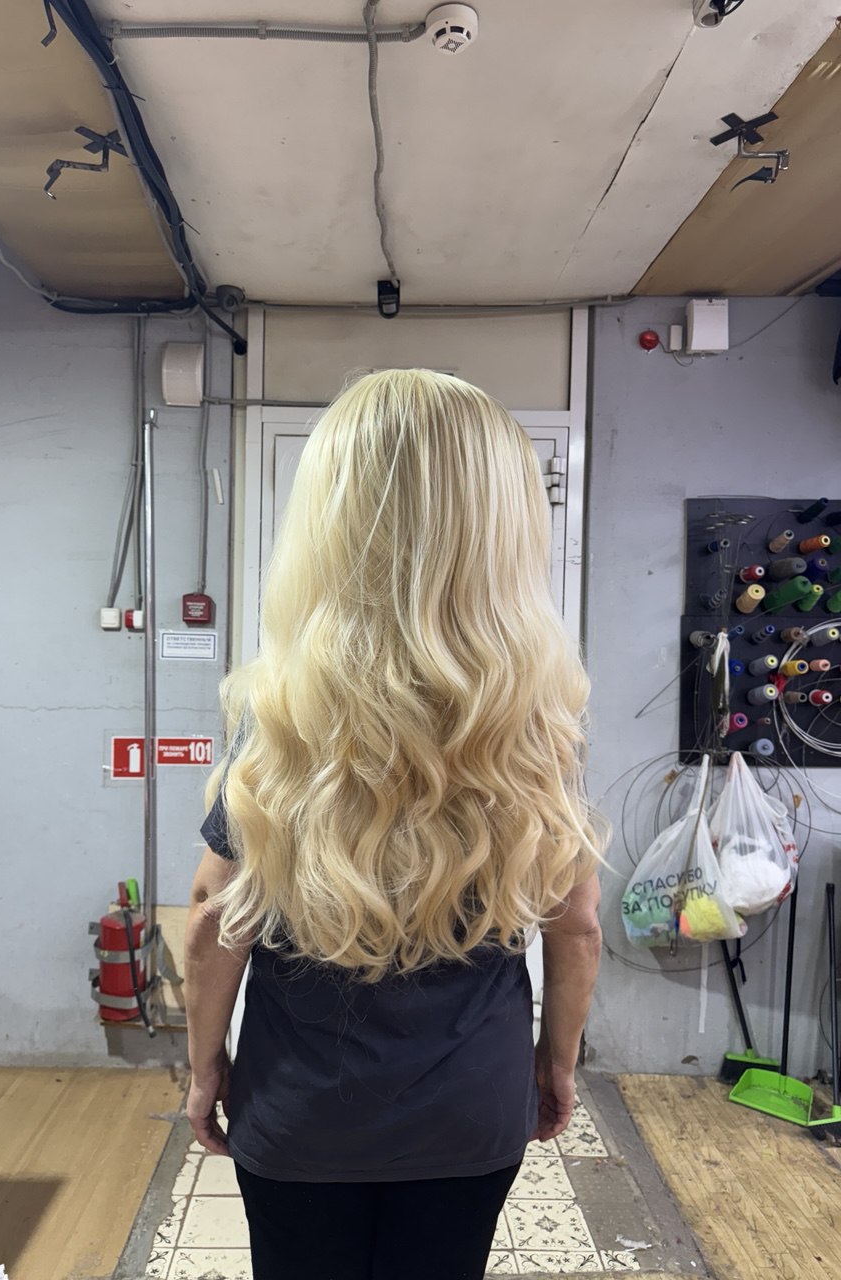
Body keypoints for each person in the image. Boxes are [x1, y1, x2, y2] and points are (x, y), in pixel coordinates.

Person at [183, 369, 606, 1280]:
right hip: (470, 1112)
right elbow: (576, 927)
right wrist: (556, 1062)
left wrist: (204, 1063)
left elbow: (215, 915)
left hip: (299, 1114)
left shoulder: (279, 719)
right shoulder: (538, 727)